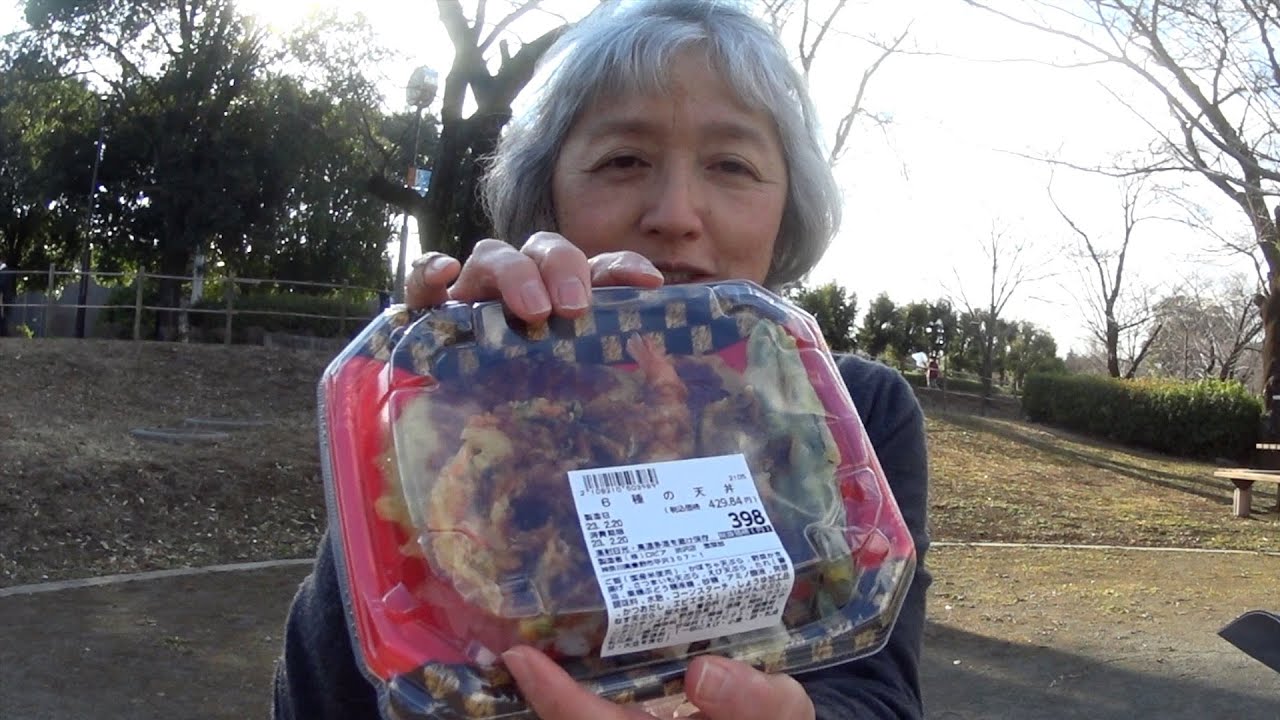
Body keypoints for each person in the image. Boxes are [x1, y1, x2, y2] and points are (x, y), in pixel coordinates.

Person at [273, 1, 930, 718]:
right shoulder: (472, 397)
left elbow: (876, 689)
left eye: (732, 164)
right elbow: (325, 698)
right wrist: (421, 416)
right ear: (548, 196)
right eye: (623, 159)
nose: (676, 212)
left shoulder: (854, 409)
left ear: (788, 208)